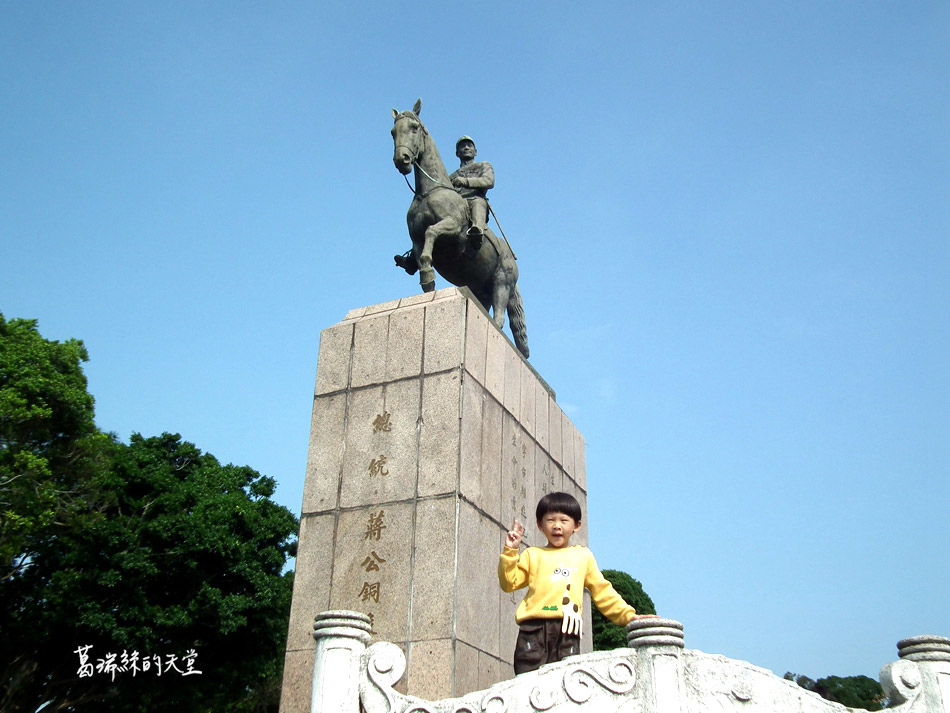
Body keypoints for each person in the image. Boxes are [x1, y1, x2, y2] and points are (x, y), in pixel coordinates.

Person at [498, 492, 656, 675]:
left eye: (564, 520)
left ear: (577, 525)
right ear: (540, 525)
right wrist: (510, 551)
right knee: (527, 675)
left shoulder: (582, 556)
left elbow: (602, 591)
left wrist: (629, 616)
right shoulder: (532, 554)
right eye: (550, 520)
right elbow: (509, 583)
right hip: (533, 627)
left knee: (566, 680)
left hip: (568, 627)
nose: (557, 526)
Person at [449, 136, 494, 252]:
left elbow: (489, 181)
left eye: (469, 145)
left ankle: (477, 231)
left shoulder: (483, 165)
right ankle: (414, 258)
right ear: (457, 153)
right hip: (456, 206)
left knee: (478, 202)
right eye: (462, 146)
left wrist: (465, 181)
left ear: (475, 152)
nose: (466, 148)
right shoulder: (451, 176)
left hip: (474, 200)